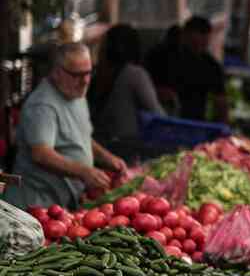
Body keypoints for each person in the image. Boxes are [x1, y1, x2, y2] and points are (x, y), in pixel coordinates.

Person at [5, 43, 127, 210]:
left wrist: (107, 158)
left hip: (60, 204)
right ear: (56, 72)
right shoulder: (42, 105)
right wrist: (84, 172)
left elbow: (80, 136)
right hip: (36, 203)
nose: (85, 81)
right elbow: (41, 154)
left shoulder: (76, 93)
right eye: (77, 74)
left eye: (88, 73)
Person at [91, 24, 165, 143]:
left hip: (98, 142)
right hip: (123, 145)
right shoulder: (134, 74)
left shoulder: (98, 74)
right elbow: (157, 114)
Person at [174, 16, 228, 123]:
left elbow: (221, 103)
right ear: (184, 36)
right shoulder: (165, 57)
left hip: (195, 123)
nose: (199, 47)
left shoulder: (212, 66)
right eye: (194, 43)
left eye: (202, 44)